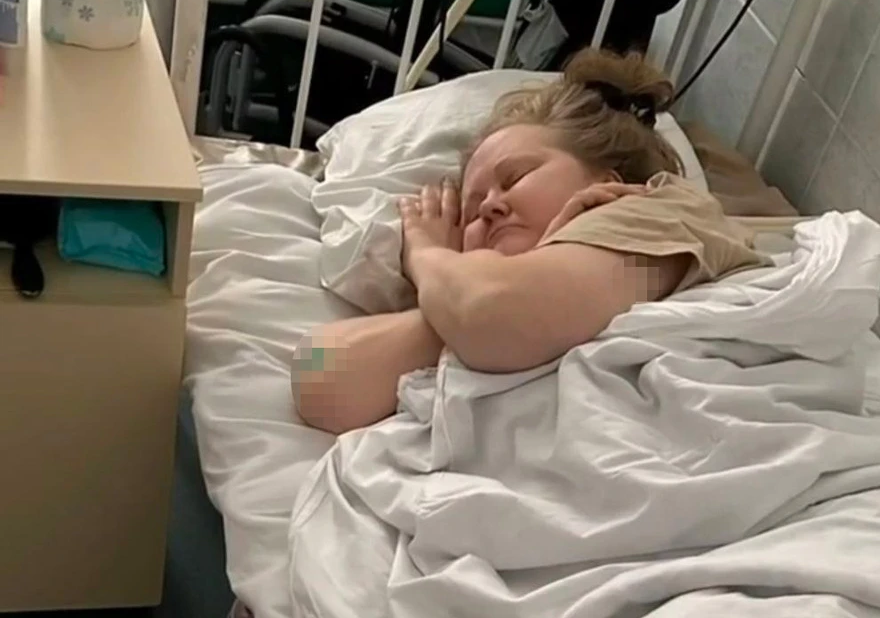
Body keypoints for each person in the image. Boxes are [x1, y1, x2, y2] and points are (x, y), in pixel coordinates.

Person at [292, 49, 767, 435]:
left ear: (607, 181)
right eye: (470, 211)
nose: (489, 207)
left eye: (515, 178)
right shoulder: (480, 310)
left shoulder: (660, 211)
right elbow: (315, 377)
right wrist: (451, 293)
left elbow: (492, 311)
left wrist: (426, 253)